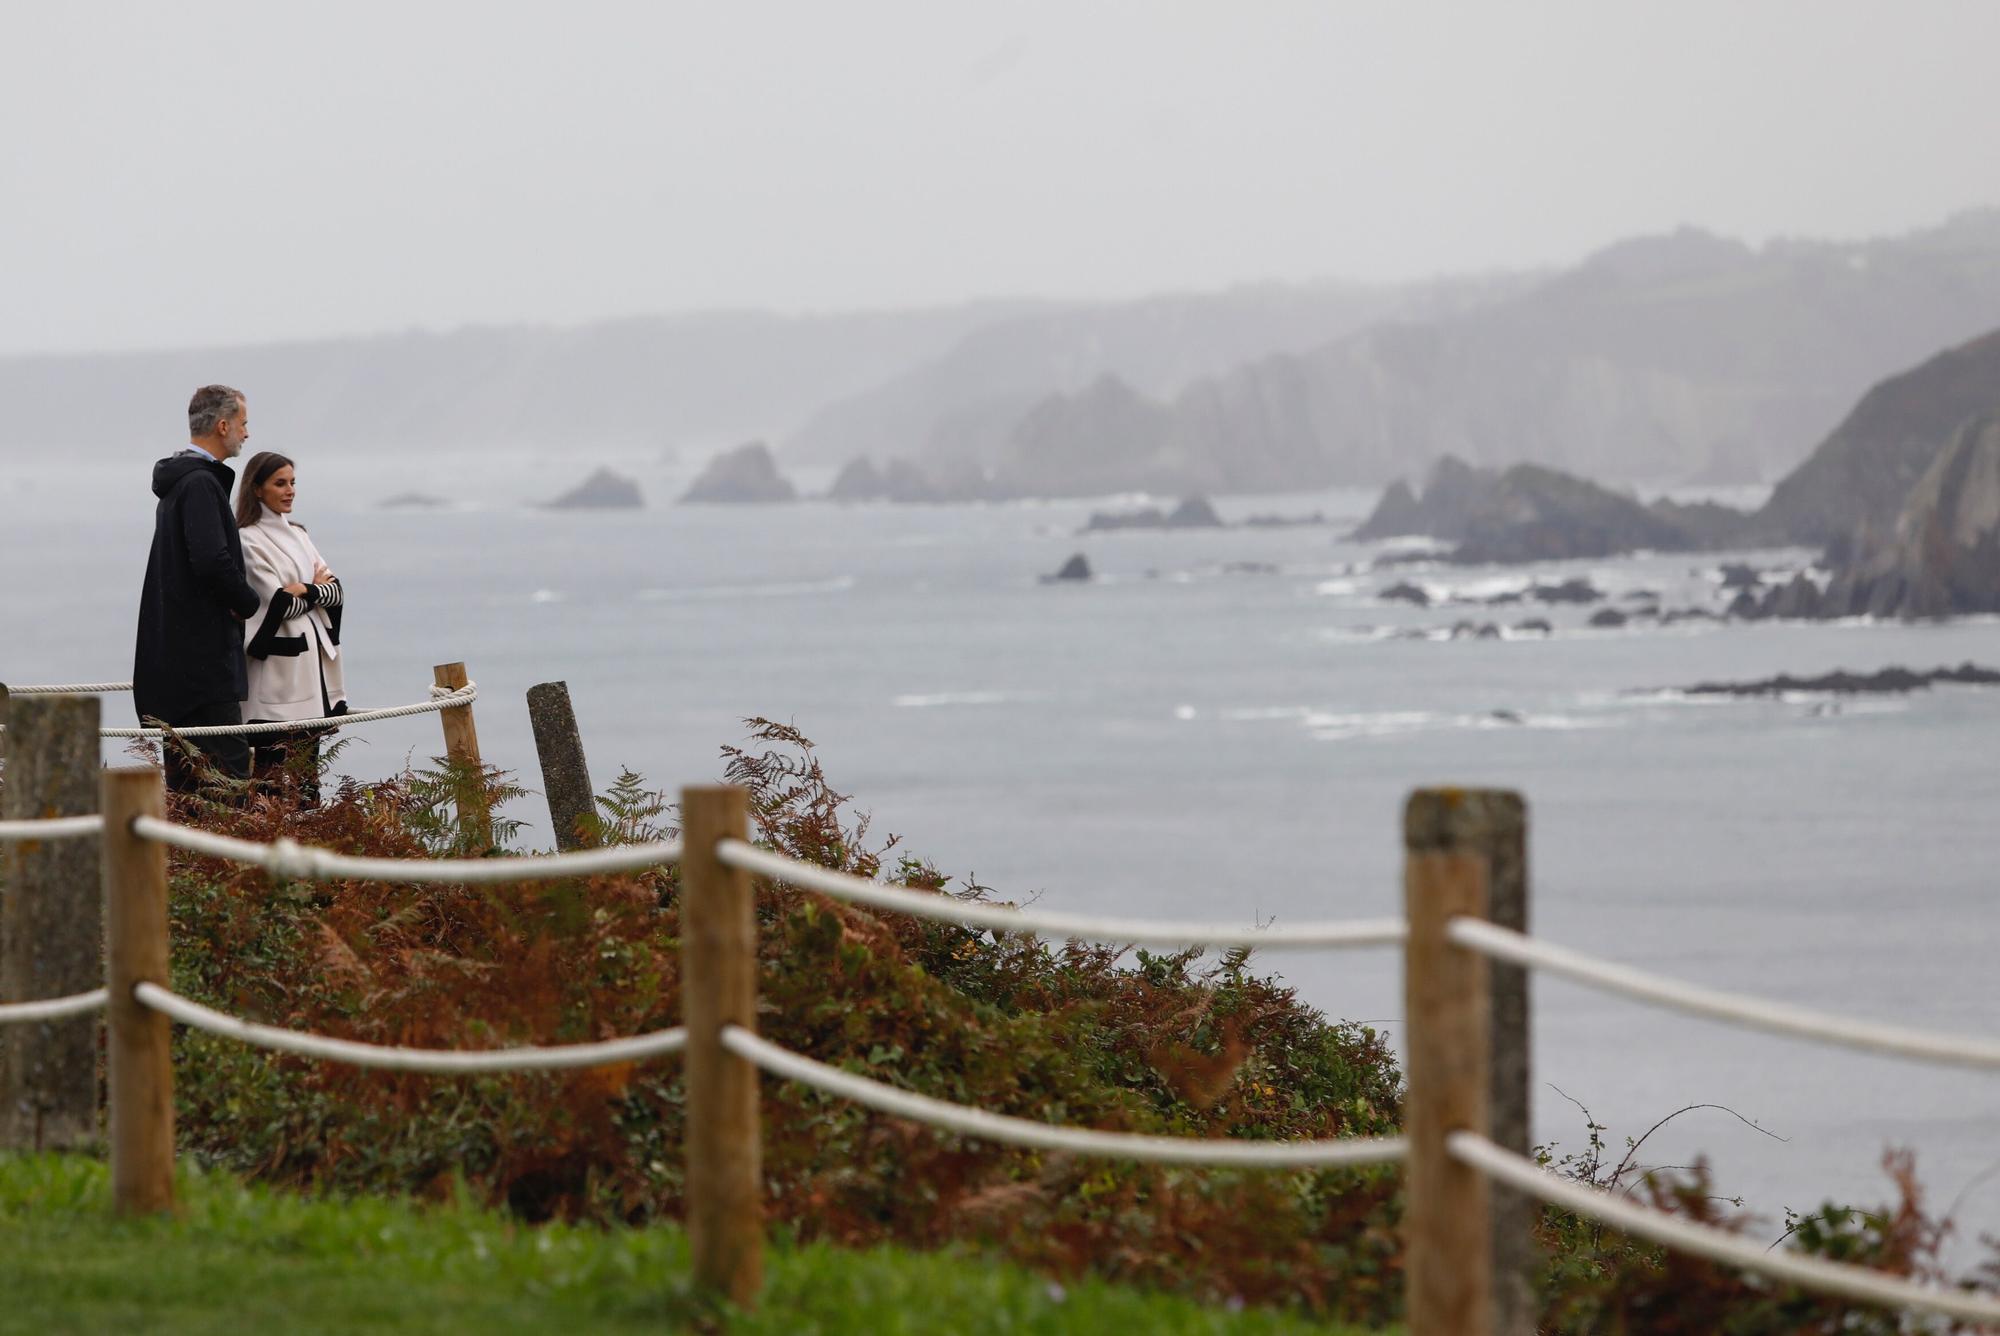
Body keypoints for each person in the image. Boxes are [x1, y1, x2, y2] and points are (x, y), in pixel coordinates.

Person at [133, 385, 261, 794]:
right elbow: (211, 560)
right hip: (204, 663)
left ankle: (190, 860)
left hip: (176, 664)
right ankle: (226, 861)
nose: (246, 433)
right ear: (223, 426)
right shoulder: (201, 484)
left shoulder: (179, 483)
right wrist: (247, 601)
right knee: (229, 781)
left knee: (188, 782)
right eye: (243, 424)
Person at [235, 451, 347, 805]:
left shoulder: (300, 534)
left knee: (307, 769)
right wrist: (312, 592)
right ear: (256, 488)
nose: (290, 491)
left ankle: (312, 839)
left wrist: (306, 589)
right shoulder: (247, 539)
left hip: (312, 667)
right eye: (280, 483)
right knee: (269, 765)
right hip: (277, 668)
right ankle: (265, 845)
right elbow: (275, 603)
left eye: (293, 483)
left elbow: (336, 591)